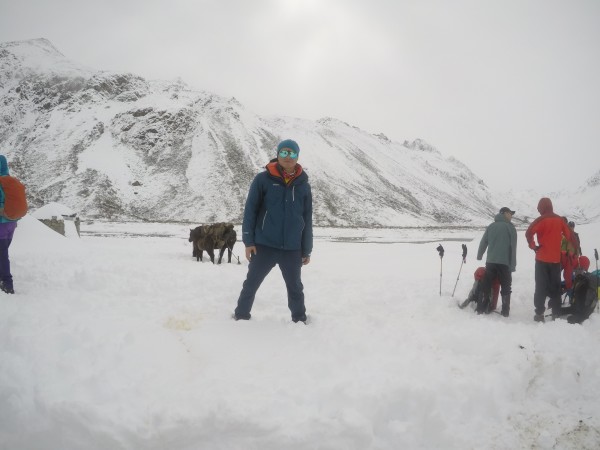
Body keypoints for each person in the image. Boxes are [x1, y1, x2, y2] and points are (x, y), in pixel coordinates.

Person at [233, 139, 313, 323]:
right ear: (277, 155)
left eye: (292, 153)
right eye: (283, 152)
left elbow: (307, 219)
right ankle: (241, 315)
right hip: (264, 244)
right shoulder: (262, 179)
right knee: (251, 283)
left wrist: (306, 249)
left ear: (297, 157)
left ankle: (299, 320)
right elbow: (250, 211)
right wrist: (249, 242)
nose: (287, 157)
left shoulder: (303, 185)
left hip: (292, 248)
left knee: (295, 288)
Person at [525, 197, 571, 322]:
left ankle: (539, 313)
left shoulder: (541, 219)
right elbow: (569, 235)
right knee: (555, 287)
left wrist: (533, 246)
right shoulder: (560, 220)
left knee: (540, 286)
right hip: (556, 261)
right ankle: (556, 312)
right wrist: (568, 250)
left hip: (541, 260)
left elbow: (528, 233)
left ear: (542, 207)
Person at [476, 207, 517, 317]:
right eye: (510, 213)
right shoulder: (510, 228)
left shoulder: (491, 226)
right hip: (504, 263)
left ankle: (481, 308)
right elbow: (513, 248)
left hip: (490, 262)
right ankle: (505, 311)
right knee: (506, 286)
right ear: (504, 213)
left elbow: (483, 242)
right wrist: (512, 265)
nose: (511, 216)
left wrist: (480, 255)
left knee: (487, 284)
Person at [0, 155, 19, 294]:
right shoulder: (11, 181)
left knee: (2, 254)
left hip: (1, 223)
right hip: (11, 224)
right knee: (3, 252)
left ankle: (7, 284)